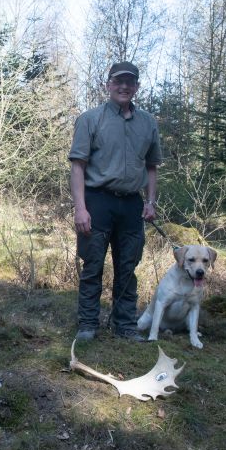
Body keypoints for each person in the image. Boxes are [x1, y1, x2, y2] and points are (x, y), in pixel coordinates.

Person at [69, 61, 162, 342]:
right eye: (118, 81)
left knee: (128, 267)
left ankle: (124, 324)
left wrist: (151, 202)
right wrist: (80, 208)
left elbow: (152, 167)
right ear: (107, 84)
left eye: (130, 82)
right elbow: (77, 166)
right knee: (93, 265)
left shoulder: (148, 123)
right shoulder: (90, 119)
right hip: (97, 202)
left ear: (137, 87)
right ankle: (88, 324)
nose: (124, 87)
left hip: (131, 205)